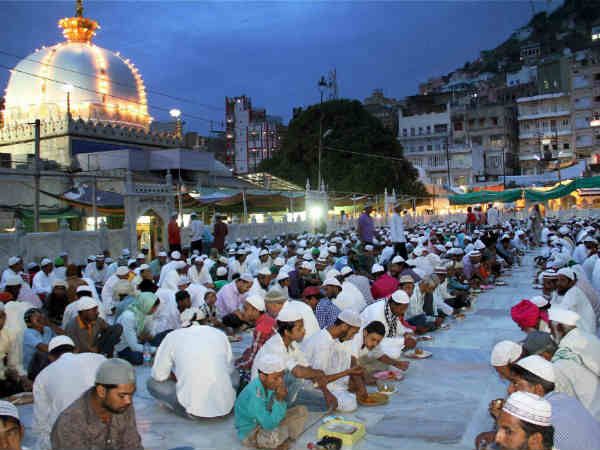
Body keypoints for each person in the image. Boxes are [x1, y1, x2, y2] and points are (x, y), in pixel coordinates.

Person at [148, 307, 236, 419]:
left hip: (191, 410)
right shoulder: (219, 334)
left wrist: (174, 376)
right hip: (226, 407)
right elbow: (229, 369)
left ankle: (179, 404)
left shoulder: (173, 336)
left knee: (152, 383)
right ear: (204, 321)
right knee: (234, 374)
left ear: (182, 323)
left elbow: (158, 375)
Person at [508, 355, 600, 450]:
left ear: (538, 389)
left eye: (516, 383)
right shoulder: (563, 399)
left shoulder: (547, 418)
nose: (511, 390)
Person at [50, 358, 143, 450]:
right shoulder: (70, 422)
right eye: (122, 395)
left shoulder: (121, 406)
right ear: (101, 391)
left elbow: (132, 445)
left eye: (131, 394)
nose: (128, 401)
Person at [32, 336, 106, 450]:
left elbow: (41, 421)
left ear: (51, 357)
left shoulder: (42, 377)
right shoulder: (98, 358)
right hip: (105, 429)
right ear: (75, 350)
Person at [235, 354, 308, 450]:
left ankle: (282, 437)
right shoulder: (254, 395)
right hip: (251, 432)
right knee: (273, 436)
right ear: (262, 377)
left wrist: (280, 401)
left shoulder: (269, 385)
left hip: (266, 420)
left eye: (281, 377)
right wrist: (279, 400)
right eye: (276, 378)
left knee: (301, 411)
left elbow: (272, 412)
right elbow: (268, 425)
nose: (280, 382)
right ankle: (280, 439)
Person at [302, 310, 365, 412]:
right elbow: (317, 381)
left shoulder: (334, 338)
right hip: (310, 388)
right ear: (344, 326)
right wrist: (348, 372)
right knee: (349, 404)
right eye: (353, 333)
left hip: (329, 384)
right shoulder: (322, 343)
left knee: (354, 393)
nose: (353, 337)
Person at [547, 307, 600, 419]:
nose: (551, 334)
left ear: (559, 327)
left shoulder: (563, 354)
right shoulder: (591, 338)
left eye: (551, 329)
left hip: (590, 415)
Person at [360, 289, 417, 359]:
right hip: (367, 343)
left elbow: (397, 325)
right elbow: (377, 339)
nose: (403, 312)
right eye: (402, 309)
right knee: (394, 353)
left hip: (380, 339)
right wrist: (404, 341)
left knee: (401, 344)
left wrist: (405, 333)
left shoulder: (391, 309)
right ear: (393, 304)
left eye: (405, 309)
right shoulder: (377, 312)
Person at [114, 292, 160, 365]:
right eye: (154, 307)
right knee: (137, 358)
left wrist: (148, 337)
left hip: (139, 341)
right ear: (146, 305)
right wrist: (155, 350)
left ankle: (152, 352)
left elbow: (149, 334)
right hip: (126, 347)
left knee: (164, 336)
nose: (155, 310)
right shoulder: (128, 317)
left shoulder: (144, 313)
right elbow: (133, 346)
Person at [553, 268, 596, 334]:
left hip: (584, 332)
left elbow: (561, 312)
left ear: (572, 282)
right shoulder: (567, 290)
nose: (558, 283)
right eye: (557, 280)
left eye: (562, 280)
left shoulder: (574, 292)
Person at [22, 308, 55, 377]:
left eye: (41, 316)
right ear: (29, 323)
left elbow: (63, 335)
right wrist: (61, 350)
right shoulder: (28, 333)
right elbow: (44, 348)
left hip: (48, 364)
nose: (40, 318)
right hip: (33, 368)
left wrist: (50, 324)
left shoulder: (47, 329)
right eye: (35, 316)